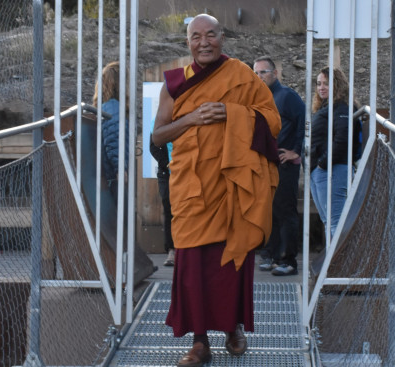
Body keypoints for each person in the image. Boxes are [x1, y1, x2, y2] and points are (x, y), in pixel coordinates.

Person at [152, 14, 281, 367]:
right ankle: (198, 342)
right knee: (192, 269)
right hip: (191, 189)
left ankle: (233, 328)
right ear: (187, 42)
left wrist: (230, 112)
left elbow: (272, 119)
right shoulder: (175, 84)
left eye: (211, 35)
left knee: (231, 263)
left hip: (231, 186)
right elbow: (158, 135)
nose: (204, 42)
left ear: (222, 38)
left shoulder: (241, 75)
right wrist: (192, 118)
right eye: (197, 36)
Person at [252, 56, 305, 276]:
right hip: (266, 166)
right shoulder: (259, 99)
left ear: (275, 73)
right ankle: (273, 256)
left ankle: (288, 261)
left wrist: (296, 152)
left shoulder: (288, 97)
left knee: (285, 212)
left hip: (285, 165)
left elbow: (304, 124)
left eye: (263, 72)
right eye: (255, 73)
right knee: (269, 212)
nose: (259, 77)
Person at [310, 67, 362, 241]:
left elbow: (342, 139)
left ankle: (337, 265)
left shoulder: (342, 108)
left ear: (338, 85)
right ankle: (331, 265)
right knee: (328, 221)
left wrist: (323, 164)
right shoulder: (326, 107)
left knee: (335, 222)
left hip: (332, 170)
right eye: (319, 84)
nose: (321, 87)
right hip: (319, 171)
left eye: (326, 83)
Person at [93, 61, 129, 195]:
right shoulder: (113, 107)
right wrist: (120, 168)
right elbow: (114, 140)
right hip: (114, 177)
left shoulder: (105, 107)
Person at [148, 136, 175, 266]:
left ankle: (186, 250)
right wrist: (167, 163)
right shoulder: (159, 120)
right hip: (166, 172)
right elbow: (153, 147)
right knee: (169, 209)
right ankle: (171, 250)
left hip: (188, 170)